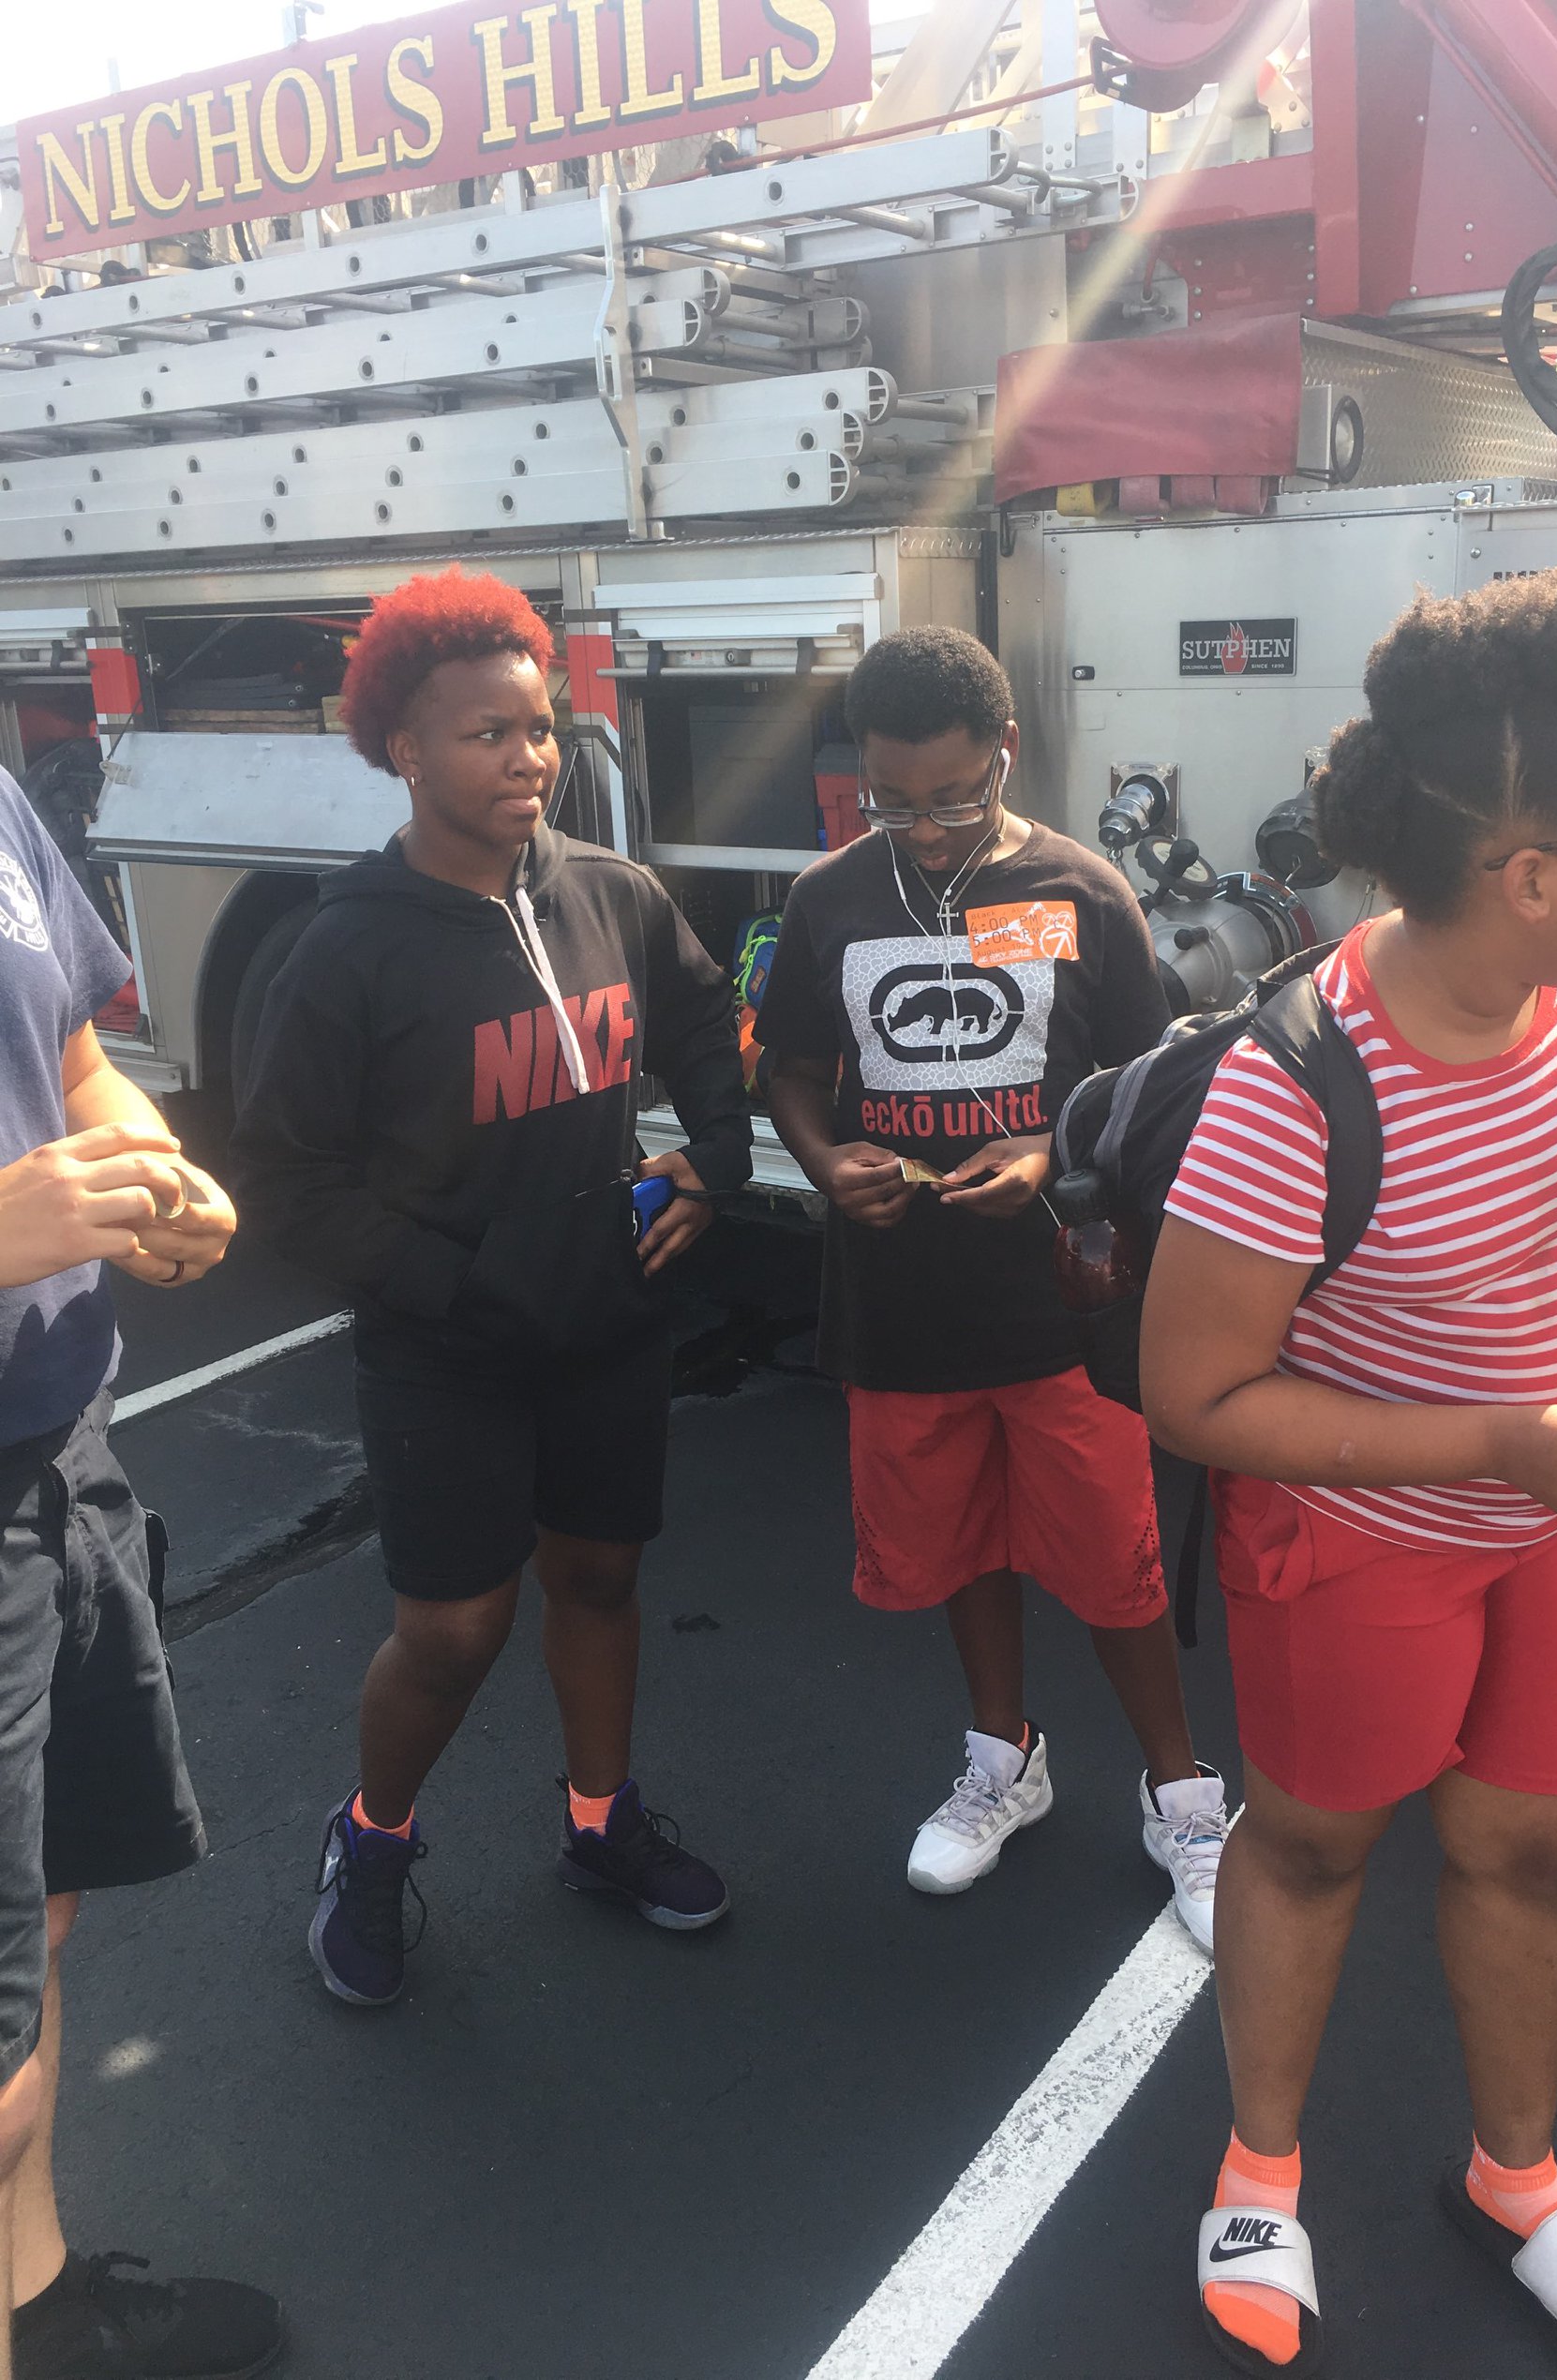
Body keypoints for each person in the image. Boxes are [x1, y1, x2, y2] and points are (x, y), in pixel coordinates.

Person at [1140, 552, 1557, 2376]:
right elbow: (1194, 1396)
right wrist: (1498, 1439)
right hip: (1359, 1539)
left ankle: (1515, 2175)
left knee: (1533, 1848)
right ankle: (1258, 2171)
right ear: (1528, 874)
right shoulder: (1293, 1087)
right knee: (1316, 1845)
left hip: (1554, 1525)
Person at [231, 568, 752, 2008]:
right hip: (445, 1347)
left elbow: (706, 1017)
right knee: (456, 1628)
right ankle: (373, 1843)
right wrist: (457, 1283)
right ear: (402, 748)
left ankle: (600, 1829)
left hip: (607, 1324)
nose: (527, 759)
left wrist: (709, 1157)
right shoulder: (347, 946)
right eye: (486, 736)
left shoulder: (613, 894)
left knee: (597, 1573)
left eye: (540, 731)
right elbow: (285, 1180)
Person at [758, 626, 1229, 1942]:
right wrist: (822, 1156)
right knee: (959, 1547)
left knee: (1116, 1564)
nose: (920, 825)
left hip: (1063, 1308)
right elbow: (790, 1065)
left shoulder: (1081, 891)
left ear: (1005, 756)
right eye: (889, 799)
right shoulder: (831, 900)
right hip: (901, 1304)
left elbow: (1150, 1094)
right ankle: (1002, 1761)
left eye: (952, 796)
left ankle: (1184, 1793)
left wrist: (1049, 1149)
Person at [0, 772, 284, 2378]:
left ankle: (43, 2306)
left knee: (35, 1943)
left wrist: (155, 1169)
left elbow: (75, 1063)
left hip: (59, 1447)